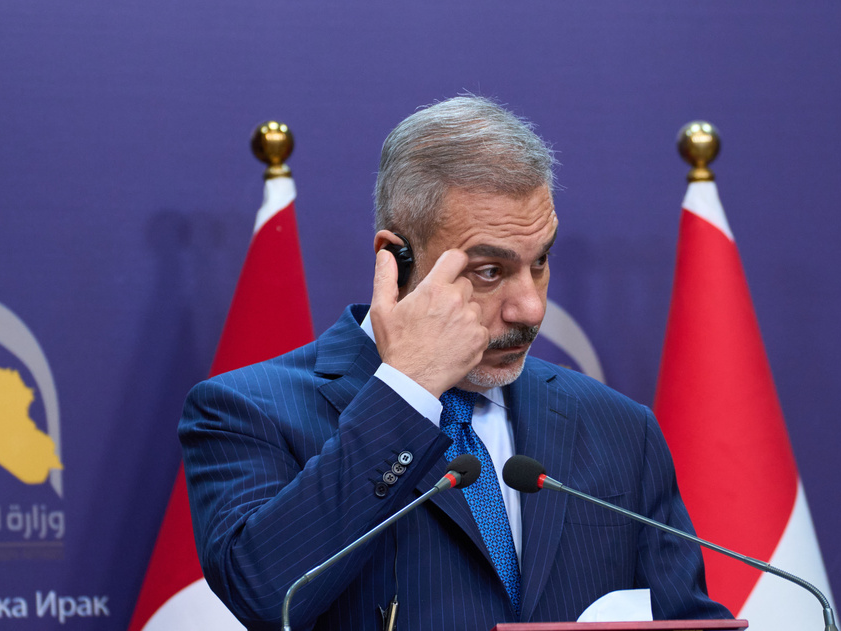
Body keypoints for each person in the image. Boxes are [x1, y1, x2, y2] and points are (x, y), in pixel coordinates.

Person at [179, 96, 732, 630]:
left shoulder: (618, 428)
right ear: (396, 260)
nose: (531, 308)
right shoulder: (245, 410)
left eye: (540, 262)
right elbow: (267, 599)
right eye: (489, 270)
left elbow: (683, 623)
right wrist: (407, 391)